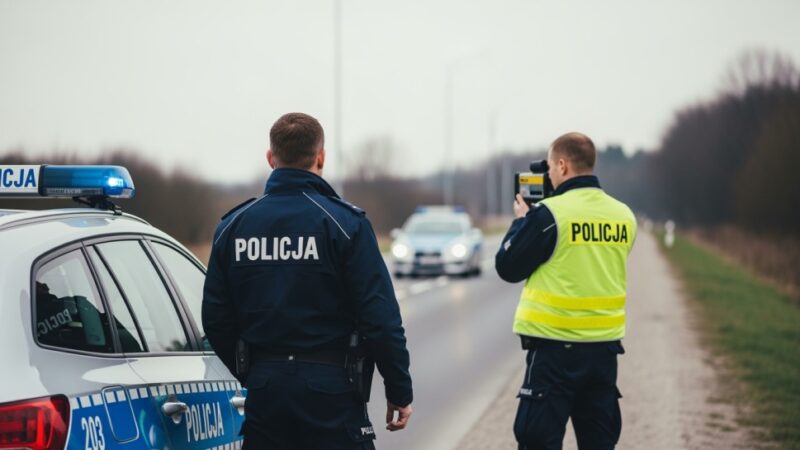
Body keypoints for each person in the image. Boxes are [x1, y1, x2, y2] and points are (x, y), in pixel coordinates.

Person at [202, 112, 413, 450]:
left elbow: (215, 317)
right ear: (321, 157)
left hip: (266, 394)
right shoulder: (345, 224)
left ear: (271, 158)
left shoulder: (233, 227)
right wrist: (398, 389)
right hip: (333, 391)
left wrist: (254, 372)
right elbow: (380, 319)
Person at [495, 132, 637, 450]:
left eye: (549, 167)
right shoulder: (624, 216)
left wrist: (521, 222)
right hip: (604, 352)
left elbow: (507, 266)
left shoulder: (549, 214)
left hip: (554, 352)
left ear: (562, 165)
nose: (547, 175)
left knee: (537, 441)